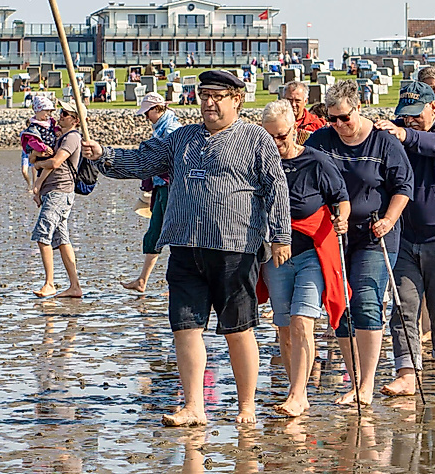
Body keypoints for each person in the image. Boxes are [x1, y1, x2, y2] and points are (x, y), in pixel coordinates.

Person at [83, 70, 291, 426]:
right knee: (185, 327)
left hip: (235, 248)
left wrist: (281, 235)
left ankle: (246, 406)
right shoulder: (181, 138)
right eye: (204, 95)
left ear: (237, 99)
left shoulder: (256, 138)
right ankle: (194, 406)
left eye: (217, 97)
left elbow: (276, 187)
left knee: (238, 329)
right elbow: (142, 161)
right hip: (184, 245)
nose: (209, 103)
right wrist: (104, 155)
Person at [306, 80, 412, 407]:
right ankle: (354, 381)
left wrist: (389, 220)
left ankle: (367, 383)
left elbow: (403, 187)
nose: (339, 125)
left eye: (345, 118)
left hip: (375, 232)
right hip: (334, 234)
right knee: (341, 303)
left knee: (366, 299)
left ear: (358, 108)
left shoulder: (383, 141)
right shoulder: (321, 140)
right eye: (332, 119)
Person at [375, 80, 435, 397]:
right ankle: (406, 372)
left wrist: (404, 134)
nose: (411, 120)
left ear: (433, 106)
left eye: (417, 114)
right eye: (406, 115)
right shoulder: (398, 129)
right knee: (403, 306)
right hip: (405, 234)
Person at [259, 101, 350, 417]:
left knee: (302, 321)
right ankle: (295, 389)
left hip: (312, 251)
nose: (276, 143)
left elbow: (341, 198)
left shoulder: (316, 161)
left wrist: (342, 218)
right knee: (284, 327)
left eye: (281, 136)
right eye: (269, 137)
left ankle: (298, 395)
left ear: (294, 130)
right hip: (275, 256)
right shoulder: (260, 164)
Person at [123, 92, 181, 294]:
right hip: (161, 186)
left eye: (147, 113)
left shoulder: (171, 130)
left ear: (157, 109)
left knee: (173, 234)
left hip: (170, 187)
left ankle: (178, 284)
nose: (146, 117)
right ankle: (142, 280)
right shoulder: (162, 128)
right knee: (155, 232)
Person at [29, 100, 85, 300]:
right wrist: (38, 187)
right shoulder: (61, 137)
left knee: (42, 234)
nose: (60, 116)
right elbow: (39, 160)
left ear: (75, 120)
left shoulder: (72, 137)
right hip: (52, 192)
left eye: (65, 114)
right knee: (61, 240)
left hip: (60, 192)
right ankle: (75, 286)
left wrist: (38, 165)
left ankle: (49, 284)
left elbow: (55, 162)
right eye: (61, 112)